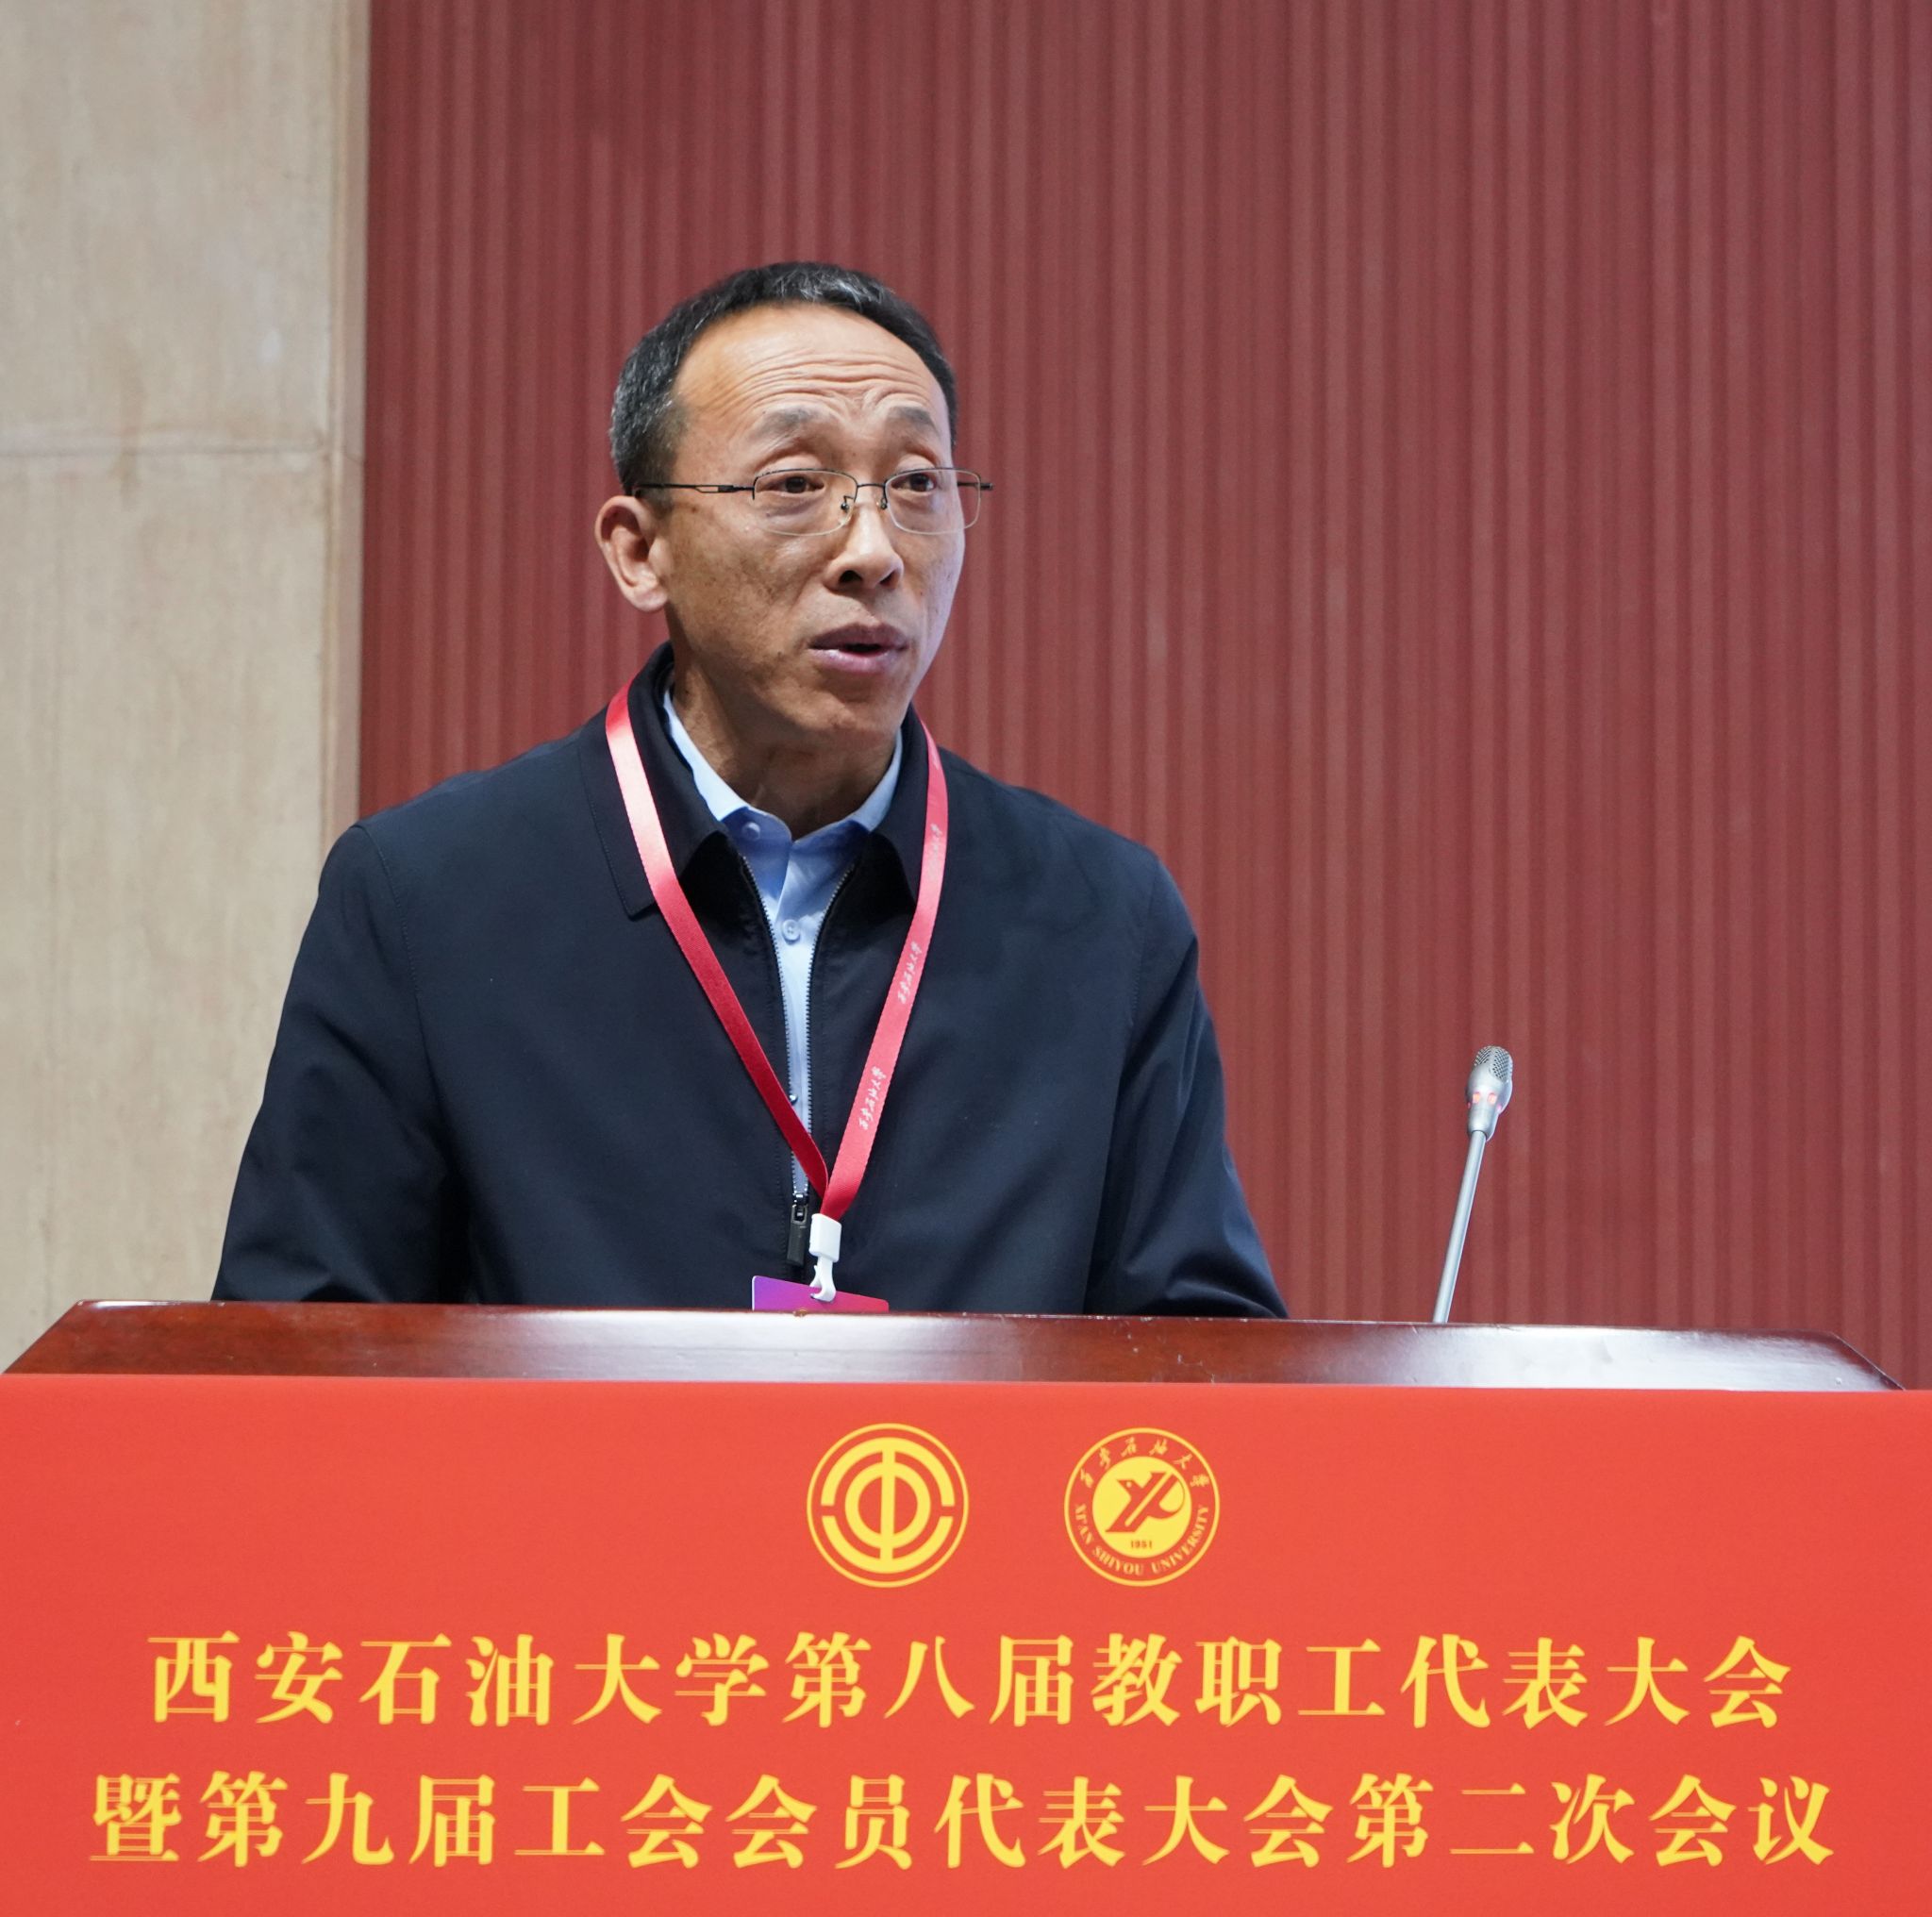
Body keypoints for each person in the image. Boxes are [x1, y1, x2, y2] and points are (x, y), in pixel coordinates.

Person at [216, 261, 1283, 1316]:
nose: (873, 551)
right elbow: (300, 1349)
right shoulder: (428, 898)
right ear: (641, 552)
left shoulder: (1099, 919)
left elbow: (1199, 1361)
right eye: (794, 486)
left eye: (917, 484)